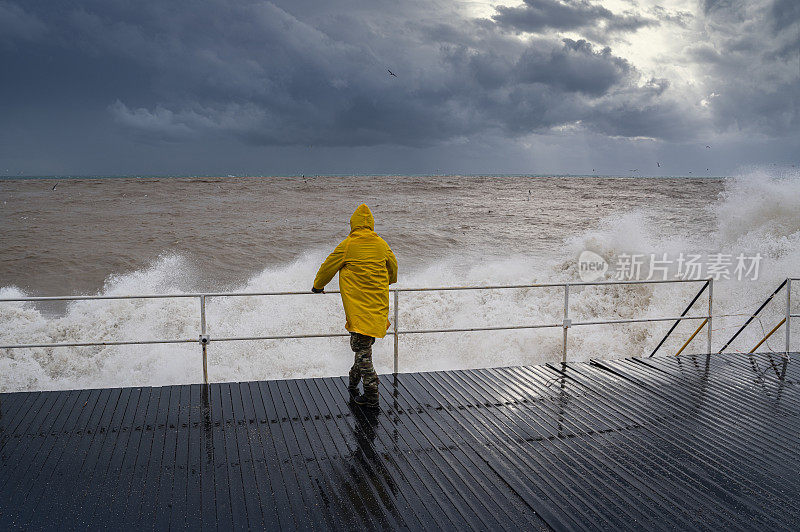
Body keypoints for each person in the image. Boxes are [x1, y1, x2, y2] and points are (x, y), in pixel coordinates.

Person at [312, 204, 398, 408]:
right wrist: (387, 281)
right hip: (378, 307)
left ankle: (372, 396)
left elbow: (328, 266)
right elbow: (393, 268)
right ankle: (352, 384)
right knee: (363, 350)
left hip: (358, 311)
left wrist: (318, 286)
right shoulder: (381, 244)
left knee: (361, 350)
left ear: (353, 224)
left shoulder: (348, 245)